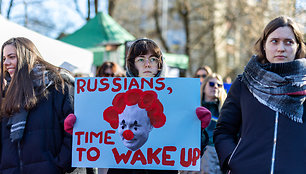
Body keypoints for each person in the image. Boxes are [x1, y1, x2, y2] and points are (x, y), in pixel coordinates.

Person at [64, 38, 211, 174]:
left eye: (153, 59)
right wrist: (78, 129)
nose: (147, 64)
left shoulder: (177, 99)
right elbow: (94, 142)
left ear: (159, 64)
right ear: (132, 65)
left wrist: (198, 128)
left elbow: (190, 150)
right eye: (141, 59)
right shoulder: (110, 97)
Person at [213, 16, 306, 174]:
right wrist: (232, 160)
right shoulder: (244, 84)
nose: (281, 48)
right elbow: (223, 130)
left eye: (288, 42)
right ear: (264, 45)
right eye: (274, 41)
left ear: (297, 47)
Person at [0, 37, 75, 174]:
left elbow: (75, 132)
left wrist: (60, 165)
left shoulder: (57, 87)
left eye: (11, 57)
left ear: (26, 57)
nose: (6, 63)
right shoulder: (7, 93)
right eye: (4, 58)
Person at [200, 73, 227, 174]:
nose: (215, 87)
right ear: (203, 87)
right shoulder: (195, 107)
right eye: (211, 84)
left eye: (219, 85)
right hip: (200, 154)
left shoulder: (227, 110)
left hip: (220, 155)